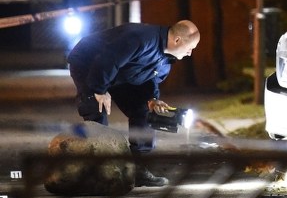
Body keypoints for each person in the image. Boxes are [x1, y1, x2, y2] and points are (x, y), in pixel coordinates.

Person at [67, 20, 200, 187]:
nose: (190, 53)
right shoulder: (140, 38)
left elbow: (149, 80)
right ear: (178, 40)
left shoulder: (166, 59)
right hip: (89, 63)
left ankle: (137, 169)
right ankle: (101, 171)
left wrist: (152, 99)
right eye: (191, 47)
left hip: (121, 73)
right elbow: (109, 59)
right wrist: (99, 90)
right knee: (96, 107)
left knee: (144, 111)